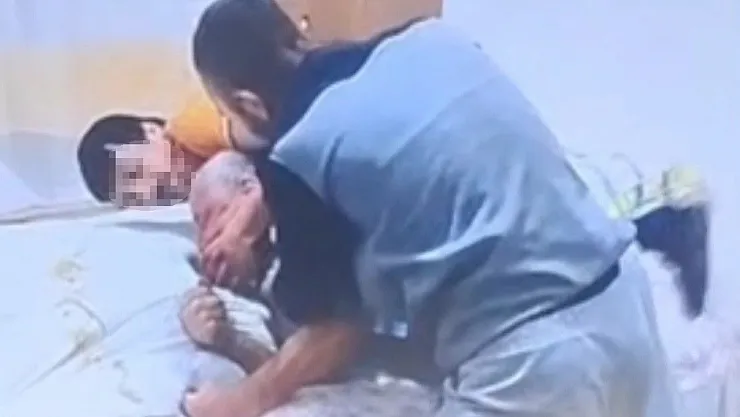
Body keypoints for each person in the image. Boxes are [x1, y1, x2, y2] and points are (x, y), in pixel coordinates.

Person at [184, 2, 679, 417]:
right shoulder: (433, 41)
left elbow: (333, 333)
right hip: (622, 299)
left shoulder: (298, 155)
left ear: (249, 104)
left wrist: (237, 403)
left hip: (530, 354)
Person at [76, 90, 256, 206]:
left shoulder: (192, 127)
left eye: (134, 173)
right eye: (133, 199)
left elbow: (266, 136)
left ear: (152, 131)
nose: (147, 191)